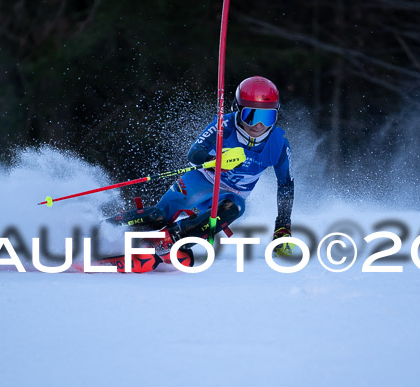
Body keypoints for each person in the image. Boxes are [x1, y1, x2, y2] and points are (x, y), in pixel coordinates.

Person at [111, 76, 295, 259]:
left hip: (230, 195)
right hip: (199, 181)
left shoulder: (278, 145)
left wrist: (283, 226)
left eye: (268, 117)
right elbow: (194, 153)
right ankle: (106, 230)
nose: (259, 125)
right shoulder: (225, 125)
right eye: (251, 116)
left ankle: (171, 241)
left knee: (236, 207)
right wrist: (214, 161)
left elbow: (286, 185)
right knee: (158, 216)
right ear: (237, 110)